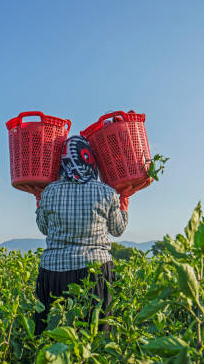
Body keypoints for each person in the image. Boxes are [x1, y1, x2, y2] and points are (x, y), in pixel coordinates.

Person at [33, 135, 133, 336]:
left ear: (63, 161)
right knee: (95, 336)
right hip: (95, 272)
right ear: (90, 160)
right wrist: (124, 201)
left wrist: (38, 199)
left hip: (54, 273)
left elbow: (43, 227)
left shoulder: (50, 192)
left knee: (52, 334)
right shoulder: (106, 192)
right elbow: (117, 229)